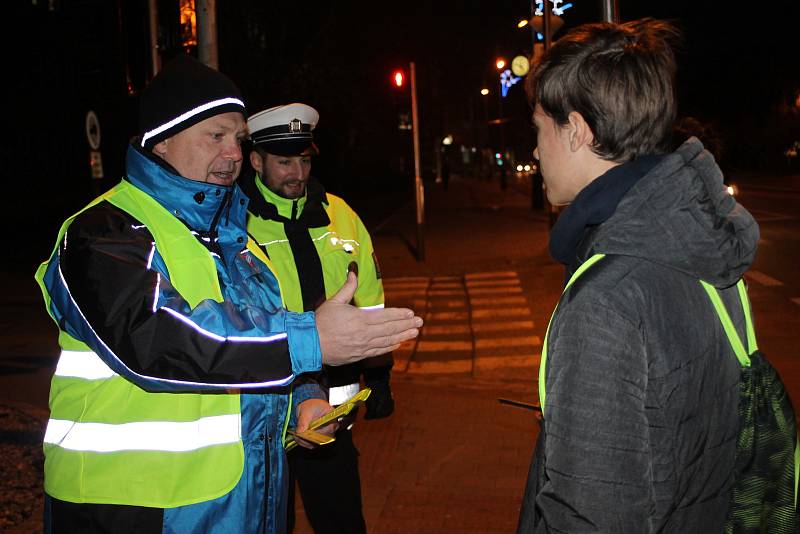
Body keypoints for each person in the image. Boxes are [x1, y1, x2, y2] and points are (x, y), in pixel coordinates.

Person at [35, 54, 421, 534]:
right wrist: (308, 338)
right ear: (162, 141)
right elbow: (154, 339)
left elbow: (252, 349)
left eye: (238, 140)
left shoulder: (236, 240)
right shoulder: (103, 230)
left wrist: (303, 402)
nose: (235, 154)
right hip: (130, 510)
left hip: (241, 506)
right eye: (215, 136)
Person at [516, 19, 759, 532]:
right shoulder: (699, 242)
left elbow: (592, 514)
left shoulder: (605, 303)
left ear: (577, 130)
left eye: (539, 128)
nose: (535, 152)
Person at [240, 103, 394, 534]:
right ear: (256, 161)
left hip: (333, 419)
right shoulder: (235, 222)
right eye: (284, 161)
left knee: (343, 523)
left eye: (304, 160)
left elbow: (372, 303)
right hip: (269, 418)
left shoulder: (341, 214)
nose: (297, 173)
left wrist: (381, 375)